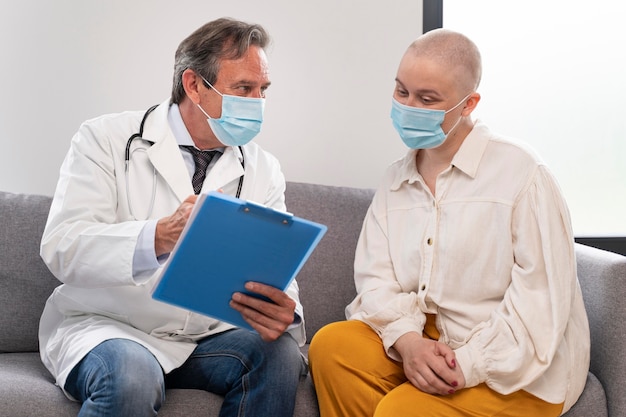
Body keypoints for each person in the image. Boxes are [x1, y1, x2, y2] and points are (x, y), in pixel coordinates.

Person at [308, 28, 590, 417]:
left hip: (518, 366)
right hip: (427, 342)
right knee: (332, 347)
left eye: (427, 99)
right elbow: (376, 280)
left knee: (401, 410)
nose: (408, 107)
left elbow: (539, 306)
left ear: (468, 104)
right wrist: (408, 342)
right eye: (401, 91)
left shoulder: (522, 174)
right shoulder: (395, 180)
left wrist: (467, 364)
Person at [39, 17, 307, 417]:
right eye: (243, 89)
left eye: (263, 90)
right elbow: (62, 247)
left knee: (279, 355)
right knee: (131, 375)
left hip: (206, 337)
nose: (257, 103)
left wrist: (284, 309)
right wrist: (158, 236)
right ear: (194, 85)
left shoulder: (263, 168)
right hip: (111, 327)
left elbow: (276, 267)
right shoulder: (105, 139)